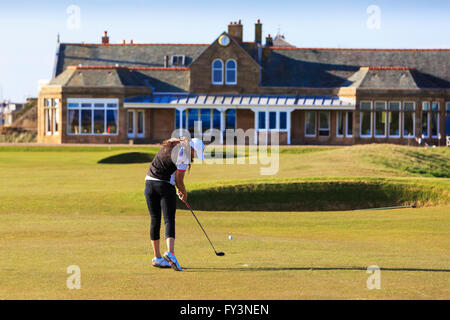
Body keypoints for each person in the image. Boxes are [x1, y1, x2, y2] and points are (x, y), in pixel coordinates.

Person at [144, 137, 205, 271]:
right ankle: (171, 254)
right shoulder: (185, 154)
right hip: (164, 186)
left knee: (155, 220)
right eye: (195, 153)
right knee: (169, 220)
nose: (194, 156)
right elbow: (179, 179)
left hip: (149, 184)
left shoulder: (171, 144)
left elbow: (170, 171)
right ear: (192, 149)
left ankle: (158, 258)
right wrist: (184, 193)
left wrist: (178, 189)